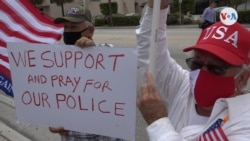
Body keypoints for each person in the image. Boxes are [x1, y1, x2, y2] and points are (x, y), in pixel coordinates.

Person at [136, 0, 250, 140]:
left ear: (243, 77)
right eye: (196, 63)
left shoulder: (245, 121)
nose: (203, 73)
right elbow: (151, 52)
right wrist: (158, 7)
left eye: (216, 68)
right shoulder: (184, 87)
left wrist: (158, 123)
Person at [49, 5, 122, 141]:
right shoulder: (56, 62)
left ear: (90, 30)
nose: (68, 31)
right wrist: (53, 125)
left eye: (74, 27)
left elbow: (120, 79)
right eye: (66, 27)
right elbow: (51, 99)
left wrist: (94, 53)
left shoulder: (109, 52)